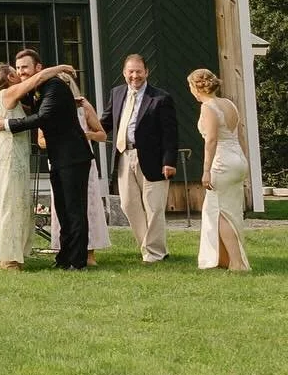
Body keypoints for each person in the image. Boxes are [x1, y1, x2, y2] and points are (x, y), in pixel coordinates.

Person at [0, 48, 94, 270]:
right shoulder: (37, 89)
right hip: (58, 157)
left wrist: (7, 125)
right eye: (18, 68)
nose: (21, 72)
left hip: (73, 156)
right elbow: (21, 103)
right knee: (63, 210)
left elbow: (44, 116)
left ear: (38, 68)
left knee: (74, 210)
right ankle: (64, 259)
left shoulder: (55, 86)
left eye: (25, 67)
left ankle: (77, 262)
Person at [0, 58, 75, 269]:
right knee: (11, 205)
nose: (21, 75)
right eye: (17, 71)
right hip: (10, 158)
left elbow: (32, 108)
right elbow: (38, 78)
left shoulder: (4, 97)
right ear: (11, 77)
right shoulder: (8, 93)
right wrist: (60, 67)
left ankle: (16, 254)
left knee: (20, 204)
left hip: (17, 157)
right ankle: (8, 259)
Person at [102, 54, 179, 264]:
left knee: (154, 207)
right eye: (130, 71)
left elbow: (170, 134)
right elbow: (106, 122)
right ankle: (147, 246)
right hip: (124, 156)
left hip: (153, 160)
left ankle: (155, 253)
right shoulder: (117, 93)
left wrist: (169, 161)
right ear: (124, 73)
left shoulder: (161, 98)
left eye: (138, 71)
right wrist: (85, 128)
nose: (134, 76)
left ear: (146, 72)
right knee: (128, 205)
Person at [191, 68, 250, 272]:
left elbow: (212, 140)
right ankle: (225, 259)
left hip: (222, 162)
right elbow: (239, 134)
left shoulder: (208, 107)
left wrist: (206, 170)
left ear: (196, 88)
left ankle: (236, 262)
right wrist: (243, 160)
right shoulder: (229, 104)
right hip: (238, 160)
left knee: (220, 212)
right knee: (232, 211)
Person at [51, 91, 112, 265]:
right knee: (63, 208)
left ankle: (89, 252)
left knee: (87, 206)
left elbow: (102, 134)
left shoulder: (83, 107)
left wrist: (87, 135)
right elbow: (41, 140)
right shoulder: (49, 107)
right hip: (60, 159)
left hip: (83, 159)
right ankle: (65, 251)